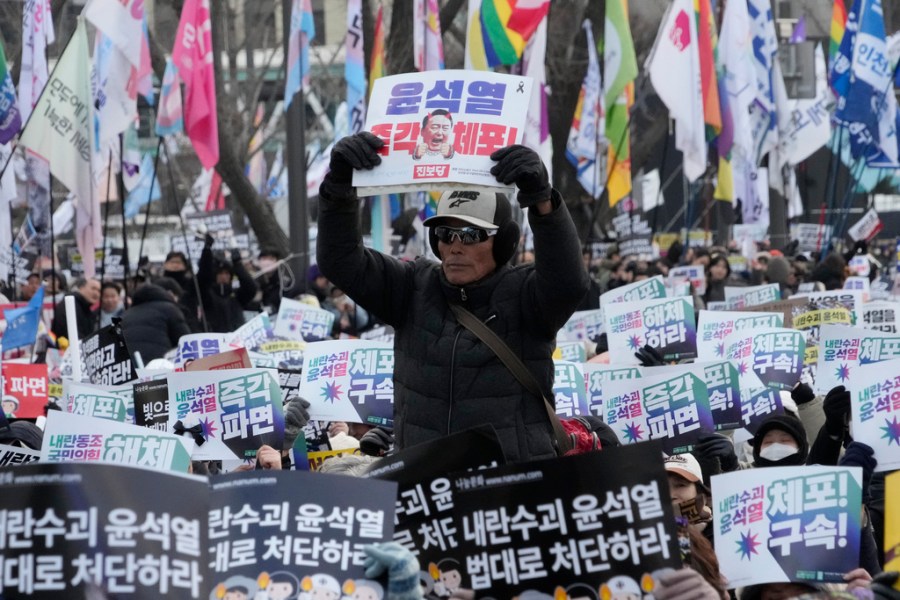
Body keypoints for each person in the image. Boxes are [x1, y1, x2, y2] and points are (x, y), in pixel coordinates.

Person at [317, 132, 588, 462]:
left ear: (505, 241)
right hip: (425, 480)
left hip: (511, 481)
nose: (456, 246)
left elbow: (569, 282)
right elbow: (341, 259)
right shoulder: (411, 287)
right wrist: (339, 188)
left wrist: (543, 202)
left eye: (472, 234)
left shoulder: (527, 296)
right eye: (446, 233)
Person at [197, 237, 258, 333]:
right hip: (213, 338)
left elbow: (251, 287)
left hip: (236, 338)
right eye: (220, 273)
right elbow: (203, 277)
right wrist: (207, 251)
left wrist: (237, 263)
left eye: (227, 273)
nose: (224, 277)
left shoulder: (237, 296)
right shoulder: (207, 295)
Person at [121, 283, 192, 363]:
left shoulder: (125, 315)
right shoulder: (170, 309)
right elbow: (185, 340)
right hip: (160, 364)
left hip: (130, 364)